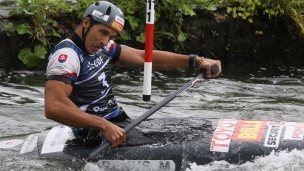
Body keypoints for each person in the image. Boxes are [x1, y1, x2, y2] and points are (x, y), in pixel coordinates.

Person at [44, 1, 222, 147]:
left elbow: (143, 57)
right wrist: (103, 125)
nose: (105, 41)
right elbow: (54, 106)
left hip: (118, 121)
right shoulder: (67, 56)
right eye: (103, 32)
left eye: (111, 35)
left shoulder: (103, 46)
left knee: (196, 128)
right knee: (186, 142)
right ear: (86, 23)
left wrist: (196, 60)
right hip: (95, 135)